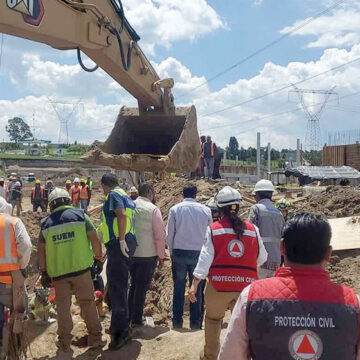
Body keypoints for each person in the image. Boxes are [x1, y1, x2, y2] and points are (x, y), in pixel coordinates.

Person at [218, 212, 360, 360]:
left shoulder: (251, 297)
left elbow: (230, 355)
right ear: (328, 253)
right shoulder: (353, 304)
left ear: (282, 247)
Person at [189, 186, 267, 360]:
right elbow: (262, 258)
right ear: (238, 207)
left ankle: (210, 356)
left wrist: (194, 284)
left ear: (219, 209)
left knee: (213, 321)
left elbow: (205, 258)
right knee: (245, 327)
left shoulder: (214, 229)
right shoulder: (253, 229)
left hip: (218, 287)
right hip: (246, 290)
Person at [38, 188, 105, 356]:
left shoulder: (46, 224)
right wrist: (98, 259)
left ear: (52, 204)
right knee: (88, 304)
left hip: (59, 275)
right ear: (68, 200)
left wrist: (44, 272)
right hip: (82, 271)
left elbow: (41, 251)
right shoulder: (81, 216)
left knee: (63, 309)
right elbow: (94, 238)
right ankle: (96, 340)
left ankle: (64, 345)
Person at [96, 173, 136, 350]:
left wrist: (120, 241)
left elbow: (121, 215)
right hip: (126, 244)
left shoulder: (113, 195)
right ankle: (120, 326)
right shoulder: (125, 195)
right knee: (120, 286)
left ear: (105, 185)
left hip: (120, 245)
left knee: (117, 289)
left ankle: (121, 334)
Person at [167, 184, 212, 330]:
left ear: (183, 194)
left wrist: (172, 253)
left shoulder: (175, 209)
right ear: (196, 194)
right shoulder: (206, 210)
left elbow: (170, 234)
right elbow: (210, 235)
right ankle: (195, 323)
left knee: (178, 288)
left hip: (179, 252)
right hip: (198, 254)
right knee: (197, 289)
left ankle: (177, 322)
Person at [130, 183, 166, 327]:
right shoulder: (153, 209)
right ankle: (137, 319)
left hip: (131, 253)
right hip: (148, 255)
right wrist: (161, 255)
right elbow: (159, 235)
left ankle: (128, 316)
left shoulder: (130, 206)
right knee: (141, 287)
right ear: (150, 192)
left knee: (133, 285)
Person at [0, 197, 32, 356]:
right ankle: (16, 352)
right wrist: (21, 266)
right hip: (10, 282)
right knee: (18, 317)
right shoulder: (13, 222)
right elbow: (25, 246)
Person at [248, 179, 284, 278]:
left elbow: (249, 232)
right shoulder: (279, 213)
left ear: (257, 194)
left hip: (260, 258)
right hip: (276, 260)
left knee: (258, 290)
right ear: (271, 194)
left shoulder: (256, 209)